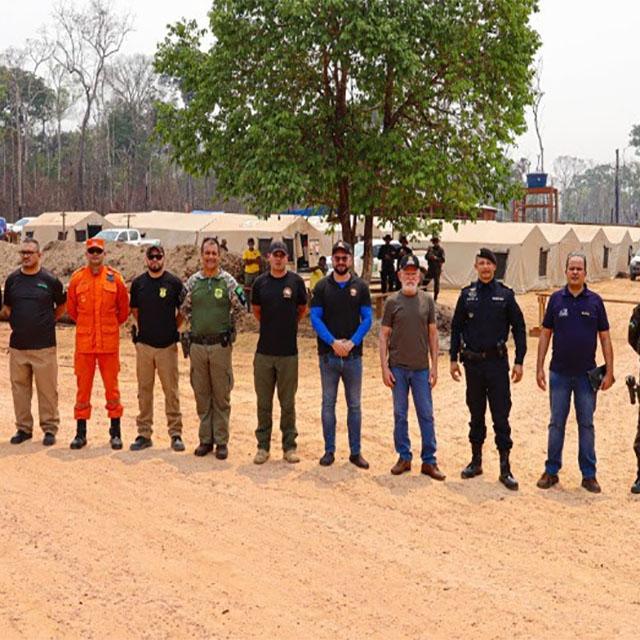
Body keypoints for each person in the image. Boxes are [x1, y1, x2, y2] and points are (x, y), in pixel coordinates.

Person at [535, 252, 614, 493]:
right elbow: (545, 334)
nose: (575, 272)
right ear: (566, 271)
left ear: (585, 272)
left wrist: (610, 371)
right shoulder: (557, 300)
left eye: (579, 268)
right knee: (556, 423)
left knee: (586, 425)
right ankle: (551, 471)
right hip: (559, 373)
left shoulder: (595, 302)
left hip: (586, 376)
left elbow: (605, 337)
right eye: (572, 268)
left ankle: (589, 475)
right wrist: (539, 366)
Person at [450, 248, 526, 491]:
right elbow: (455, 328)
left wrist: (519, 360)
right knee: (475, 414)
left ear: (495, 267)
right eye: (480, 263)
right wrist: (452, 359)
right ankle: (476, 461)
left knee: (501, 415)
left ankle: (505, 468)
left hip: (496, 365)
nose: (484, 267)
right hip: (472, 365)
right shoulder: (467, 295)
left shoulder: (505, 295)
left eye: (488, 264)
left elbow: (520, 328)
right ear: (476, 267)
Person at [379, 254, 444, 479]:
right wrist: (384, 368)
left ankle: (429, 460)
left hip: (421, 369)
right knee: (400, 414)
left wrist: (435, 366)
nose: (410, 276)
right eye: (406, 272)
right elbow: (383, 336)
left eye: (413, 273)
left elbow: (433, 335)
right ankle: (404, 456)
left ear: (419, 276)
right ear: (399, 275)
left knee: (426, 414)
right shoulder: (391, 302)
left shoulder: (427, 301)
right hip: (397, 368)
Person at [182, 237, 246, 459]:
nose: (210, 257)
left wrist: (229, 328)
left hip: (220, 346)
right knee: (202, 393)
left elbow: (242, 307)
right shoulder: (192, 282)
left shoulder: (228, 281)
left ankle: (221, 441)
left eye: (214, 253)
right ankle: (205, 440)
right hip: (198, 346)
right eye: (207, 253)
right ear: (202, 255)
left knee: (221, 393)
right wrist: (193, 324)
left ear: (220, 256)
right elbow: (183, 307)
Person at [310, 241, 372, 469]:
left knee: (354, 406)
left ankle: (355, 452)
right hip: (328, 356)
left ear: (350, 259)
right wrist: (333, 342)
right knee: (328, 404)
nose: (341, 261)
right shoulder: (322, 287)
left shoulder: (361, 287)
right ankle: (329, 450)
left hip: (353, 358)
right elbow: (315, 318)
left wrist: (352, 342)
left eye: (344, 257)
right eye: (337, 257)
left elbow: (367, 319)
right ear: (332, 259)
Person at [67, 237, 129, 450]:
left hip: (109, 344)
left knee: (112, 389)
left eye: (98, 251)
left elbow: (123, 311)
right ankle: (80, 433)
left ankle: (115, 432)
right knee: (82, 390)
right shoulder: (77, 280)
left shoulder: (115, 280)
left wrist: (107, 326)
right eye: (91, 251)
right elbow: (73, 311)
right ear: (86, 254)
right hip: (84, 344)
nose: (95, 255)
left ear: (104, 254)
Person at [1, 239, 66, 445]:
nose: (26, 256)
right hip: (18, 346)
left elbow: (62, 305)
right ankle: (23, 429)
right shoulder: (12, 280)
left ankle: (49, 429)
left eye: (30, 252)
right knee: (20, 390)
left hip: (44, 347)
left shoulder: (50, 280)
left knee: (47, 391)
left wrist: (48, 321)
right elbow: (8, 308)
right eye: (23, 252)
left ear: (40, 255)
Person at [251, 241, 307, 464]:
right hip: (264, 353)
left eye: (282, 255)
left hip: (288, 353)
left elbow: (302, 309)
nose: (279, 259)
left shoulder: (295, 282)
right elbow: (257, 311)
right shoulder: (260, 283)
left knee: (288, 403)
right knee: (264, 403)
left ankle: (289, 446)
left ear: (287, 258)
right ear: (269, 257)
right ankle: (263, 447)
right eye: (275, 255)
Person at [129, 244, 187, 452]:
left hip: (167, 346)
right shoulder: (138, 284)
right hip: (144, 346)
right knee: (144, 391)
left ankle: (175, 434)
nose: (155, 260)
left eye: (158, 256)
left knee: (171, 391)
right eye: (151, 257)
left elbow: (183, 310)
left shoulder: (174, 283)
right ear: (146, 259)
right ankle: (144, 433)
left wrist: (172, 327)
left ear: (164, 258)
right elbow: (135, 310)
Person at [424, 236, 445, 301]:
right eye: (433, 242)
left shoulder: (441, 250)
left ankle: (435, 297)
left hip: (437, 269)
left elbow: (443, 259)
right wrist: (429, 257)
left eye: (436, 242)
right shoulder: (430, 249)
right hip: (430, 268)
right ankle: (424, 295)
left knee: (436, 283)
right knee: (425, 281)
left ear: (438, 242)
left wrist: (436, 258)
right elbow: (426, 257)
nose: (434, 243)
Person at [242, 238, 262, 309]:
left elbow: (259, 261)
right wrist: (254, 260)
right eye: (249, 243)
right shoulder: (245, 252)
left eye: (252, 243)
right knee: (247, 289)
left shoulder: (257, 252)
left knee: (256, 289)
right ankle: (247, 305)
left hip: (255, 272)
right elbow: (246, 262)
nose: (251, 244)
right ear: (248, 244)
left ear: (253, 244)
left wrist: (250, 260)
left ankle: (255, 305)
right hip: (248, 273)